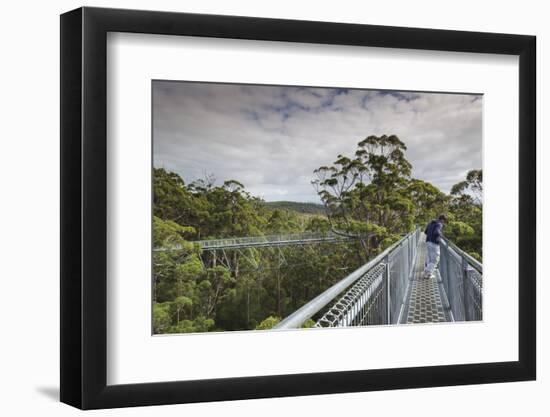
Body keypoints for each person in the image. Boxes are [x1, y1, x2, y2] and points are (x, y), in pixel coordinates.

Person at [423, 214, 447, 279]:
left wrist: (430, 235)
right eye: (444, 221)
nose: (444, 222)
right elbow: (436, 232)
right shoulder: (439, 224)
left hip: (428, 242)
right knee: (435, 260)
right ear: (442, 219)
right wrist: (441, 236)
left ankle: (428, 274)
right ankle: (427, 271)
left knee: (430, 258)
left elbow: (425, 232)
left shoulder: (431, 223)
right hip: (434, 243)